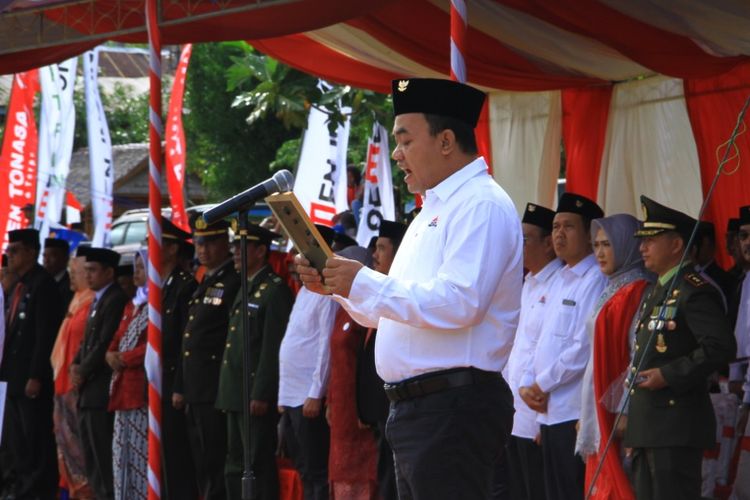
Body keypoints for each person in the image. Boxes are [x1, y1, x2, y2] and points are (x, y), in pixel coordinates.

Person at [296, 78, 522, 499]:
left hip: (453, 407)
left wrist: (364, 282)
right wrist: (339, 286)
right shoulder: (433, 209)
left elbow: (461, 303)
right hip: (421, 409)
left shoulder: (481, 204)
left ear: (447, 141)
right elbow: (390, 313)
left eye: (404, 140)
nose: (397, 154)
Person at [624, 196, 736, 500]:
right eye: (642, 241)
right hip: (650, 424)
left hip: (675, 423)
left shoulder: (692, 291)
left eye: (651, 240)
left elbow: (720, 346)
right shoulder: (657, 290)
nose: (642, 248)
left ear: (676, 245)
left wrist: (669, 375)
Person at [519, 192, 606, 500]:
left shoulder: (595, 279)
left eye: (568, 226)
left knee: (571, 490)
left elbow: (582, 348)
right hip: (548, 410)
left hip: (572, 410)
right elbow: (538, 339)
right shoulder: (559, 279)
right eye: (555, 226)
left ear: (590, 234)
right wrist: (528, 381)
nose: (558, 233)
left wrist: (540, 383)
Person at [574, 214, 652, 499]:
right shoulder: (611, 289)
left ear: (627, 245)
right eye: (596, 245)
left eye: (607, 244)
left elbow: (638, 355)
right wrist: (585, 412)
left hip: (617, 409)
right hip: (599, 405)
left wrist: (627, 409)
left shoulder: (639, 291)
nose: (600, 252)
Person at [216, 224, 294, 500]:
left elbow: (272, 348)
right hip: (235, 392)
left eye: (242, 246)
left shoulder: (274, 291)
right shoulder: (246, 287)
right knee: (234, 463)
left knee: (255, 465)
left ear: (261, 251)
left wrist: (262, 392)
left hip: (253, 395)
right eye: (235, 246)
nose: (235, 252)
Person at [174, 219, 240, 500]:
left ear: (225, 243)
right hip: (196, 385)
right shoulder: (206, 281)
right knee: (200, 457)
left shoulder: (232, 281)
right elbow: (188, 340)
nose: (203, 249)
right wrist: (181, 385)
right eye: (199, 243)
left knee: (215, 458)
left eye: (210, 242)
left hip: (214, 384)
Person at [0, 228, 62, 499]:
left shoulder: (43, 284)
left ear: (30, 252)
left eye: (15, 251)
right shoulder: (20, 284)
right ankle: (21, 485)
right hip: (13, 376)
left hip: (30, 377)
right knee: (17, 440)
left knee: (34, 438)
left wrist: (36, 375)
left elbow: (44, 335)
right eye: (8, 251)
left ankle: (36, 489)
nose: (9, 256)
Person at [505, 202, 561, 500]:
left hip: (540, 412)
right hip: (515, 411)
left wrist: (543, 420)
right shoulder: (525, 282)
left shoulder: (559, 283)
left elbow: (551, 349)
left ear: (548, 244)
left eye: (525, 239)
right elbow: (515, 346)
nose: (519, 246)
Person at [279, 226, 339, 500]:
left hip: (307, 396)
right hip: (291, 395)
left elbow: (325, 347)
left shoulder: (326, 292)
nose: (295, 259)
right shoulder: (305, 290)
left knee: (315, 472)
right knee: (302, 468)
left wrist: (316, 393)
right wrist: (282, 394)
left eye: (301, 253)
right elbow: (294, 343)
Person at [70, 247, 129, 500]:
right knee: (90, 454)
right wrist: (75, 363)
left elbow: (104, 342)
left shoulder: (115, 298)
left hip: (100, 388)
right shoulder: (98, 298)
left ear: (109, 272)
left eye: (93, 271)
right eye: (87, 271)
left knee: (102, 454)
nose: (89, 276)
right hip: (88, 389)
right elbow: (86, 341)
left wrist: (82, 370)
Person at [356, 220, 408, 500]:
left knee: (394, 478)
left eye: (381, 248)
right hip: (378, 409)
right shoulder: (380, 291)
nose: (374, 255)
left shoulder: (403, 295)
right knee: (385, 475)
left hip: (396, 406)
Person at [326, 246, 377, 499]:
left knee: (361, 471)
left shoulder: (366, 310)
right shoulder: (342, 307)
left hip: (358, 410)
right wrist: (330, 399)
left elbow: (367, 363)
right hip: (341, 408)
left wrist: (363, 406)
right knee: (340, 468)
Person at [50, 248, 95, 499]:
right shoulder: (76, 299)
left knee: (80, 450)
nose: (71, 276)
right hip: (61, 385)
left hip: (76, 388)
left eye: (74, 272)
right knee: (65, 447)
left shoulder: (90, 302)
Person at [158, 217, 199, 500]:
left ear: (172, 249)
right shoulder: (160, 285)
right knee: (162, 456)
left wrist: (180, 386)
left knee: (176, 457)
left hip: (174, 381)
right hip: (158, 382)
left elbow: (186, 341)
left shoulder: (184, 286)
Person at [106, 248, 149, 500]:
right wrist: (110, 354)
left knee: (140, 455)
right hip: (121, 390)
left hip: (138, 392)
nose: (136, 273)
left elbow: (153, 345)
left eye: (142, 268)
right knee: (121, 455)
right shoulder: (133, 304)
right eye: (136, 267)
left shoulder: (155, 305)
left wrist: (124, 358)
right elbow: (118, 337)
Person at [43, 237, 73, 309]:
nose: (46, 261)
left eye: (52, 256)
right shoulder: (41, 282)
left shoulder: (70, 287)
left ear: (65, 258)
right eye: (44, 256)